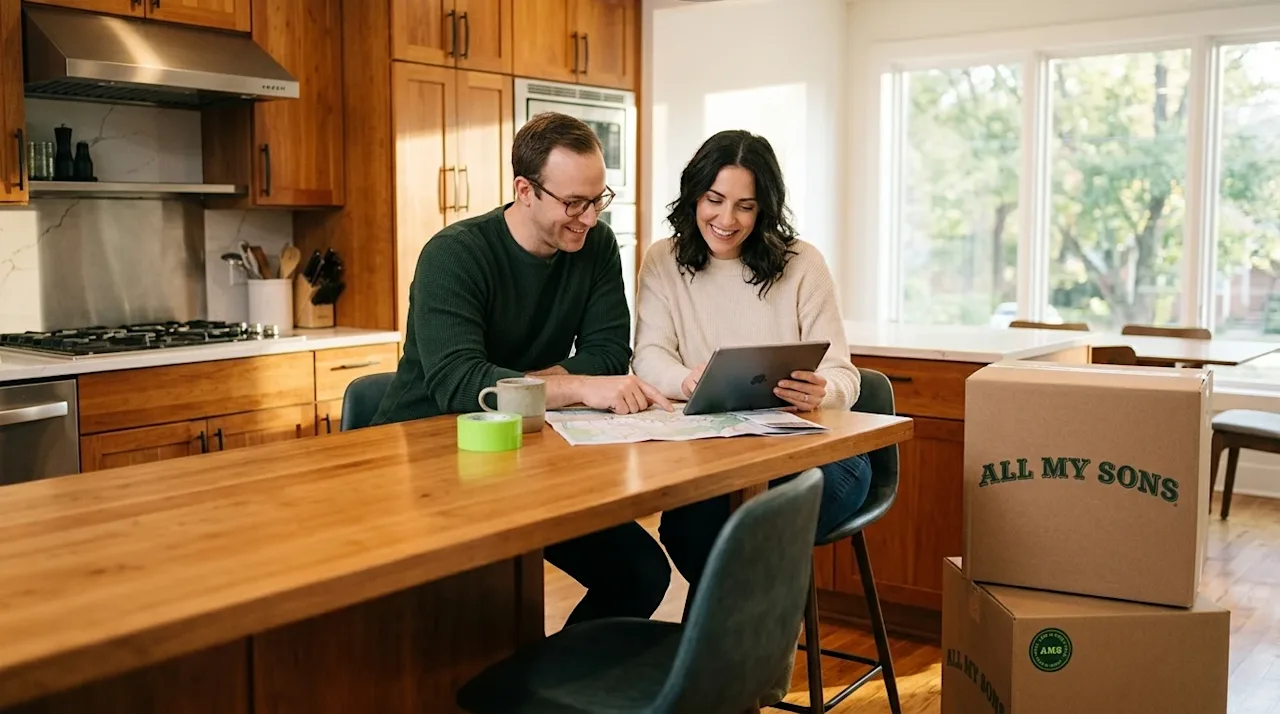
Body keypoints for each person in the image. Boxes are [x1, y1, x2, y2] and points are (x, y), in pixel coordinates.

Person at [370, 111, 674, 627]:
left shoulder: (594, 246)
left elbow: (607, 353)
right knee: (482, 610)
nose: (588, 218)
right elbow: (460, 385)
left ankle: (553, 696)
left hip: (527, 458)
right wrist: (575, 386)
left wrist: (525, 383)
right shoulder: (454, 255)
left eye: (597, 199)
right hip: (429, 459)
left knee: (640, 573)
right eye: (573, 202)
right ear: (524, 190)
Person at [632, 128, 872, 598]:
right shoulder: (663, 261)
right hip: (718, 458)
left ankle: (725, 658)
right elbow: (648, 355)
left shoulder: (802, 264)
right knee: (685, 532)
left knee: (755, 527)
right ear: (693, 195)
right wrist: (686, 378)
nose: (727, 219)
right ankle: (738, 657)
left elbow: (845, 374)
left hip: (819, 456)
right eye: (714, 199)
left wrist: (823, 389)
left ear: (764, 208)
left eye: (745, 205)